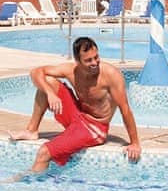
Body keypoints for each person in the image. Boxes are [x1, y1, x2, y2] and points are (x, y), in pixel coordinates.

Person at [8, 36, 142, 175]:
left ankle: (30, 185)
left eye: (96, 57)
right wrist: (50, 94)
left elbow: (125, 109)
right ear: (78, 61)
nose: (94, 62)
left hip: (94, 127)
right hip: (77, 115)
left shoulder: (111, 75)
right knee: (48, 81)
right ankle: (31, 130)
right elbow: (36, 72)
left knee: (44, 152)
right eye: (88, 60)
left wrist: (135, 142)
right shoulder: (71, 70)